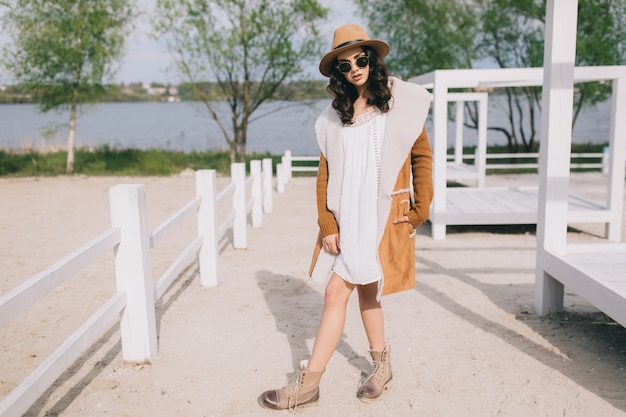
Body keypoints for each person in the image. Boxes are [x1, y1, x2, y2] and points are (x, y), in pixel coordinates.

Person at [259, 23, 433, 411]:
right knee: (359, 291)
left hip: (381, 215)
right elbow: (324, 175)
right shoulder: (333, 117)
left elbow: (422, 156)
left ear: (373, 60)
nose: (354, 68)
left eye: (360, 59)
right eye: (344, 65)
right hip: (348, 215)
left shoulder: (400, 104)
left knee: (342, 291)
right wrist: (327, 223)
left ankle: (308, 385)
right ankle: (380, 367)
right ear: (337, 73)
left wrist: (421, 207)